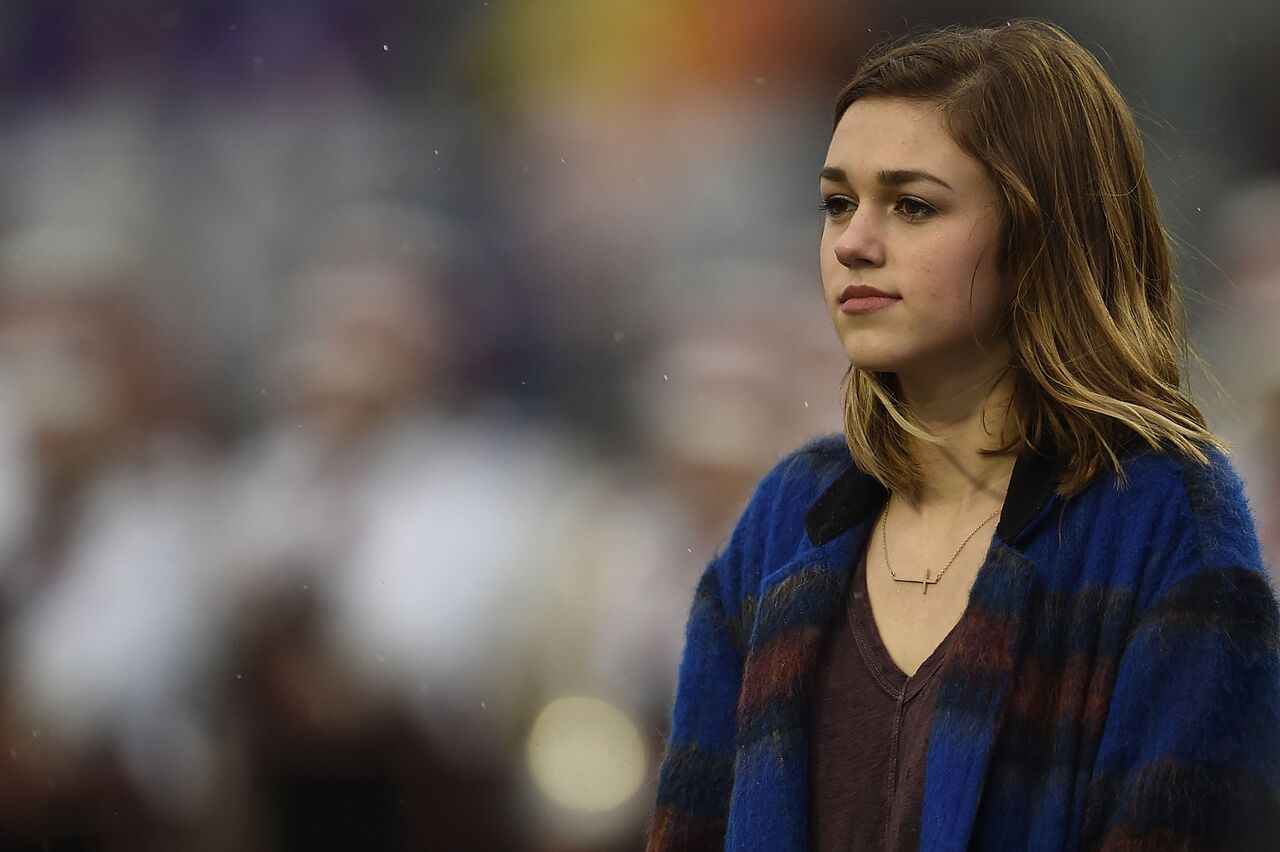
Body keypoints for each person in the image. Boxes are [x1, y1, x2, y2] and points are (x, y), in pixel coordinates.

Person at [645, 19, 1280, 852]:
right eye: (838, 202)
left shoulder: (1163, 522)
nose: (853, 243)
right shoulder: (789, 516)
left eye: (912, 205)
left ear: (1039, 233)